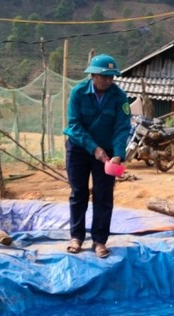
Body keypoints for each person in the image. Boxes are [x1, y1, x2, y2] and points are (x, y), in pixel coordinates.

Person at [63, 53, 131, 258]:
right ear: (92, 75)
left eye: (111, 77)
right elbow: (74, 125)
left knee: (103, 195)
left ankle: (99, 240)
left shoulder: (119, 97)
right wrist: (94, 148)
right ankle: (76, 236)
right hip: (78, 149)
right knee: (79, 193)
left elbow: (122, 127)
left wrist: (118, 154)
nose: (108, 80)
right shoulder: (78, 92)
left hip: (108, 153)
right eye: (104, 76)